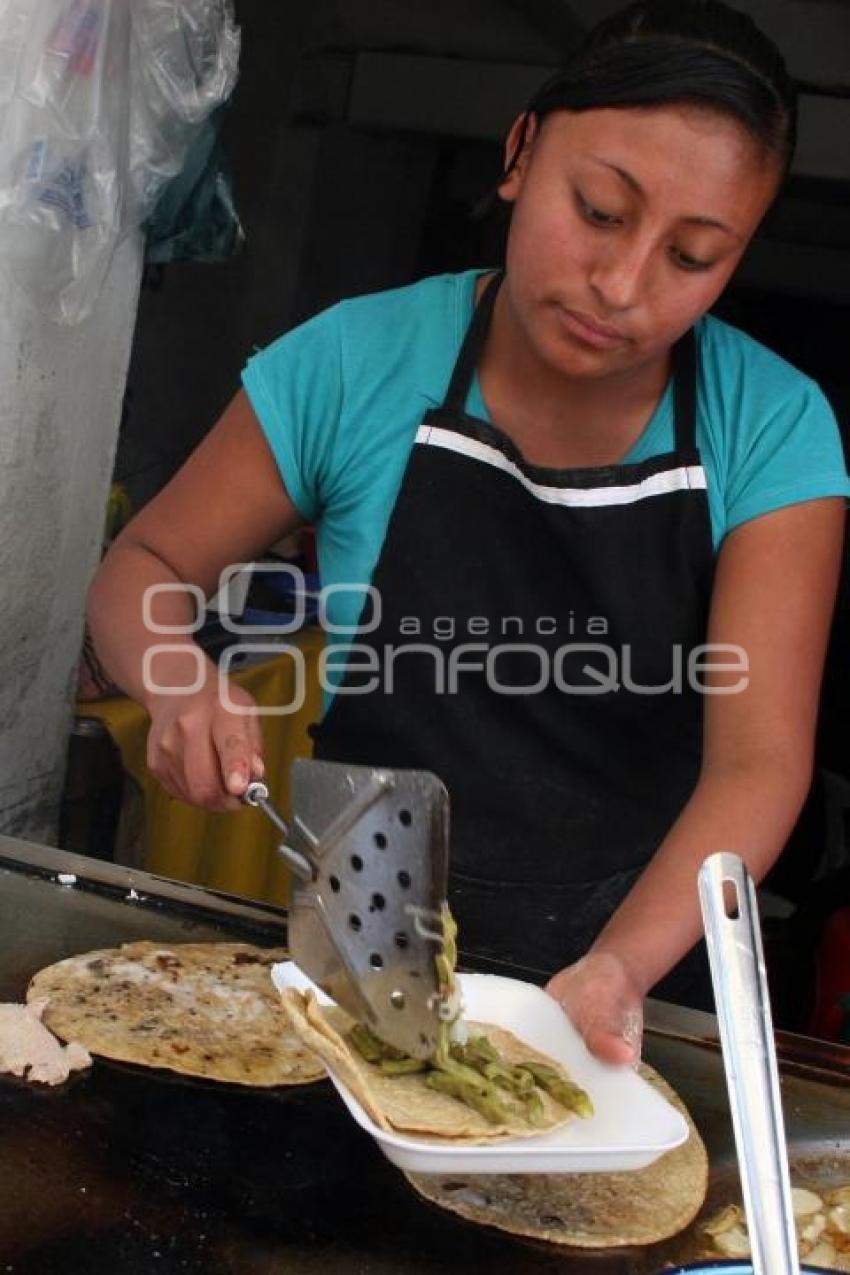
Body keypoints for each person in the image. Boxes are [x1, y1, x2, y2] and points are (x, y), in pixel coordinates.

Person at [88, 0, 850, 1066]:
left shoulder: (768, 425)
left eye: (692, 256)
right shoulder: (356, 362)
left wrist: (616, 972)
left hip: (633, 982)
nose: (621, 287)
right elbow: (146, 566)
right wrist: (175, 678)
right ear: (521, 152)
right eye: (597, 211)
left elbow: (759, 763)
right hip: (357, 964)